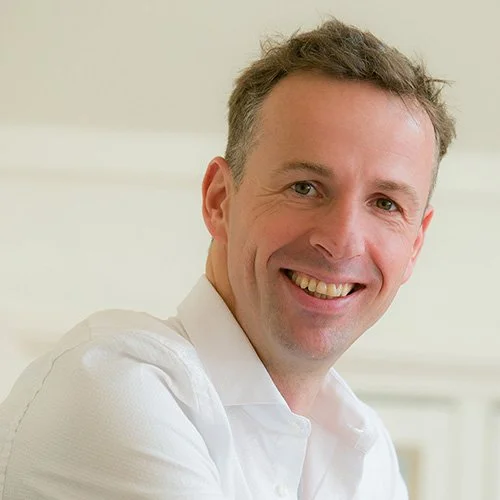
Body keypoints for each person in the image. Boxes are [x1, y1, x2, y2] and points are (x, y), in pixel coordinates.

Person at [0, 18, 455, 500]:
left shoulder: (368, 454)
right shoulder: (115, 386)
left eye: (385, 203)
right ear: (220, 200)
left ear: (415, 246)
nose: (342, 241)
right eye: (305, 187)